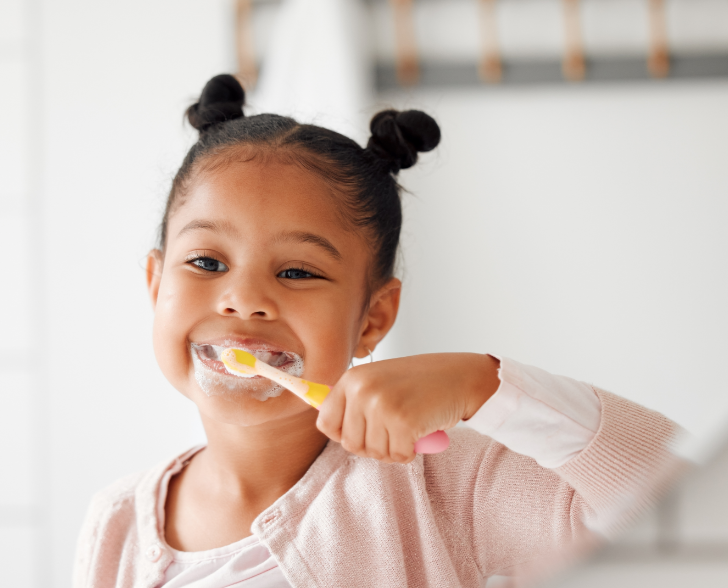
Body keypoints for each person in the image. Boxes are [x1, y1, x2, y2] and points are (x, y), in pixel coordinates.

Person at [73, 74, 680, 588]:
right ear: (156, 284)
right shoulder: (116, 524)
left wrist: (484, 385)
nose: (245, 301)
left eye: (297, 271)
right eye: (206, 262)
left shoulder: (446, 489)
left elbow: (688, 508)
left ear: (374, 319)